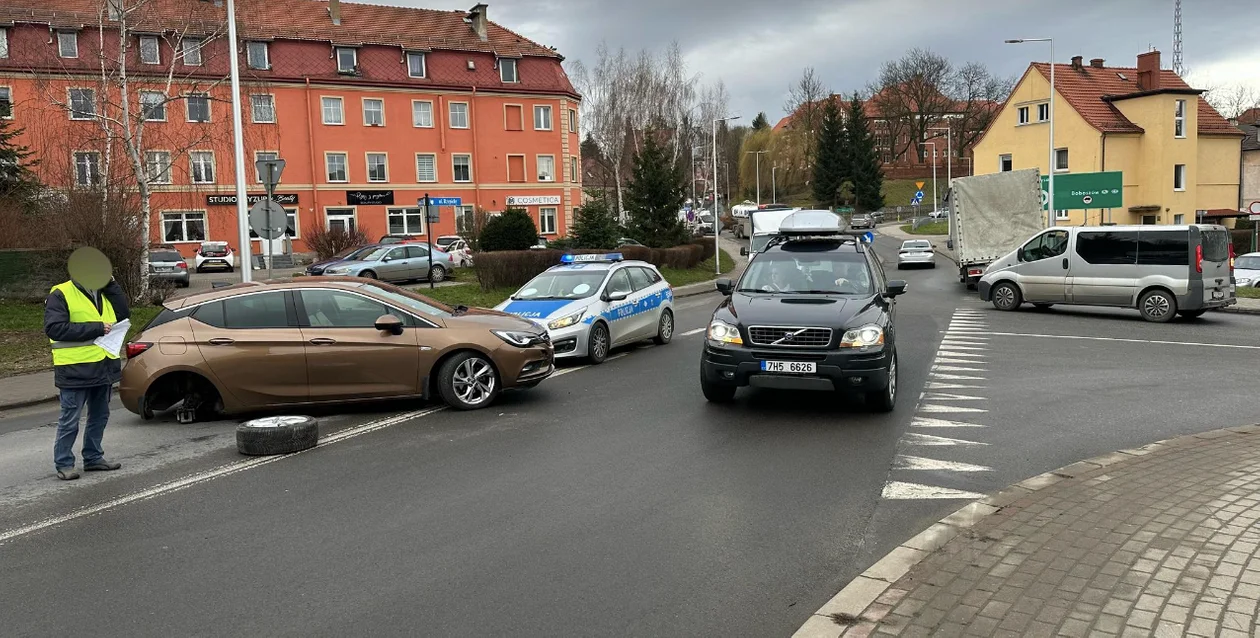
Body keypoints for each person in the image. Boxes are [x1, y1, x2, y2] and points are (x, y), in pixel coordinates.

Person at [44, 273, 130, 480]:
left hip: (103, 365)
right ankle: (64, 463)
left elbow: (124, 314)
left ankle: (93, 458)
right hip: (75, 368)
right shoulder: (61, 293)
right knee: (70, 419)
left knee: (100, 416)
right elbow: (54, 329)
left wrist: (111, 285)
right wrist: (97, 328)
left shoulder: (104, 291)